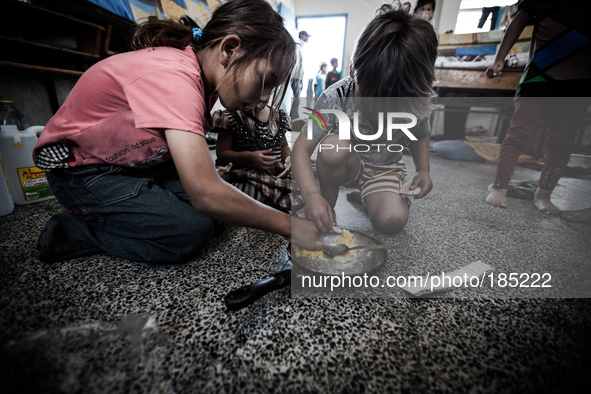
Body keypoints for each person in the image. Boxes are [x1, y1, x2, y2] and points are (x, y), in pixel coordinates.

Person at [33, 0, 323, 264]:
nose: (264, 98)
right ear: (229, 49)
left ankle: (133, 211)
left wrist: (212, 185)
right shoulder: (174, 76)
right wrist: (290, 226)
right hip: (82, 173)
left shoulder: (200, 80)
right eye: (267, 82)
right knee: (188, 232)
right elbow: (205, 194)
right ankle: (75, 229)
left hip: (135, 166)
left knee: (219, 214)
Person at [291, 1, 438, 234]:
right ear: (353, 70)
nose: (379, 113)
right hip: (345, 164)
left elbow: (421, 134)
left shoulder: (412, 99)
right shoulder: (334, 97)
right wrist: (311, 197)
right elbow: (300, 150)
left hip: (384, 170)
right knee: (332, 148)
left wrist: (424, 170)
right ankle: (327, 205)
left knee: (392, 221)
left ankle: (368, 195)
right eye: (370, 101)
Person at [485, 0, 591, 214]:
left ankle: (544, 194)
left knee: (562, 140)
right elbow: (518, 21)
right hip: (538, 76)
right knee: (517, 133)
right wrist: (499, 58)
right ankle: (500, 186)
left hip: (579, 81)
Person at [213, 105, 292, 213]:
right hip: (247, 176)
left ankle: (270, 201)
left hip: (276, 175)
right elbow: (222, 154)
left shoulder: (278, 116)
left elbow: (284, 146)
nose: (261, 97)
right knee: (241, 193)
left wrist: (289, 164)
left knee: (304, 188)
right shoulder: (231, 117)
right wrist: (249, 157)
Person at [290, 31, 310, 120]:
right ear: (302, 37)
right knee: (297, 98)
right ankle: (294, 118)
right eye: (306, 38)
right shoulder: (296, 47)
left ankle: (293, 116)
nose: (307, 40)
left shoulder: (301, 48)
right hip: (295, 78)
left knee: (297, 98)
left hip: (299, 78)